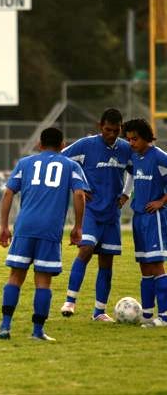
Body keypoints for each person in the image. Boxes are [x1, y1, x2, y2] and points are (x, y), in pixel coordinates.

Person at [0, 127, 88, 341]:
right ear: (63, 145)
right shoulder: (71, 166)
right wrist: (78, 227)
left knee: (15, 276)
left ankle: (5, 327)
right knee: (43, 281)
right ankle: (37, 331)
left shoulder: (25, 163)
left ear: (39, 144)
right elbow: (79, 195)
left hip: (24, 227)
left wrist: (4, 226)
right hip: (50, 230)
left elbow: (8, 193)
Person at [60, 108, 133, 321]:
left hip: (111, 213)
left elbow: (134, 171)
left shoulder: (126, 148)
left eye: (116, 130)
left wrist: (126, 194)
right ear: (100, 127)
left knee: (106, 261)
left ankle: (99, 312)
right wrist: (78, 187)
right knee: (86, 249)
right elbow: (62, 161)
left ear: (121, 128)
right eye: (108, 130)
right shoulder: (86, 145)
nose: (112, 134)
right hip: (90, 211)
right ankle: (70, 301)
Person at [122, 118, 167, 327]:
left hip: (154, 218)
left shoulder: (159, 157)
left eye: (135, 139)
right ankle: (148, 315)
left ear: (146, 137)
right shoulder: (134, 156)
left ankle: (164, 316)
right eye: (129, 139)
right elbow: (131, 176)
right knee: (144, 265)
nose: (131, 143)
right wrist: (125, 194)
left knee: (157, 264)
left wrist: (162, 201)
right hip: (138, 217)